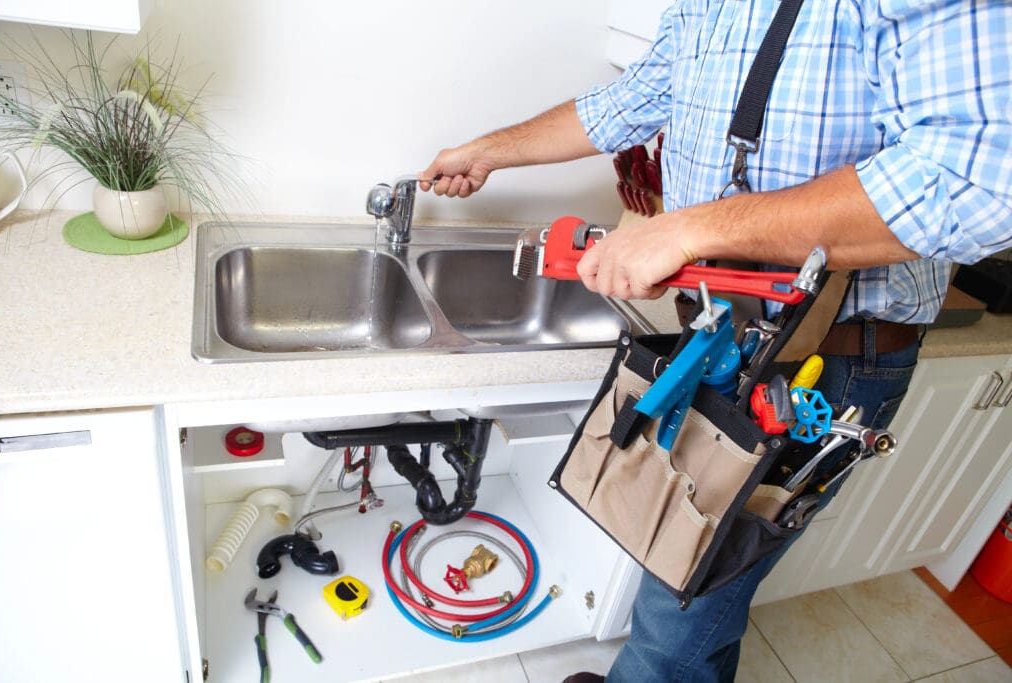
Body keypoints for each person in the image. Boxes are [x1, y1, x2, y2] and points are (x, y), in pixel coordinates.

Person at [419, 0, 1012, 680]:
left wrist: (688, 228)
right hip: (730, 332)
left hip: (820, 362)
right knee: (694, 580)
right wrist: (486, 153)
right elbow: (628, 101)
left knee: (678, 614)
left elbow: (981, 182)